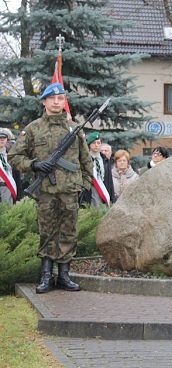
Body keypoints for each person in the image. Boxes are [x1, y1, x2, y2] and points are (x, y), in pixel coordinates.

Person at [8, 82, 93, 293]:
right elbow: (14, 156)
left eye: (61, 98)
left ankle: (64, 275)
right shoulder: (33, 128)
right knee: (47, 232)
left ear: (64, 102)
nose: (57, 102)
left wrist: (85, 185)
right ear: (44, 101)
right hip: (45, 191)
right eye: (52, 98)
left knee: (68, 232)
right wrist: (34, 164)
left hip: (70, 191)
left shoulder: (74, 128)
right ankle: (46, 276)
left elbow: (86, 161)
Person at [80, 131, 115, 206]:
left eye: (98, 143)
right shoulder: (84, 160)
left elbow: (109, 180)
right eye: (94, 143)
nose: (96, 145)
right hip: (90, 192)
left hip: (104, 190)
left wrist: (112, 198)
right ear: (89, 145)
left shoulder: (105, 160)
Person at [0, 128, 17, 204]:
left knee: (7, 212)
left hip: (7, 188)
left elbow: (17, 177)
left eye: (4, 138)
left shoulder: (11, 156)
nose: (2, 140)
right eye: (0, 138)